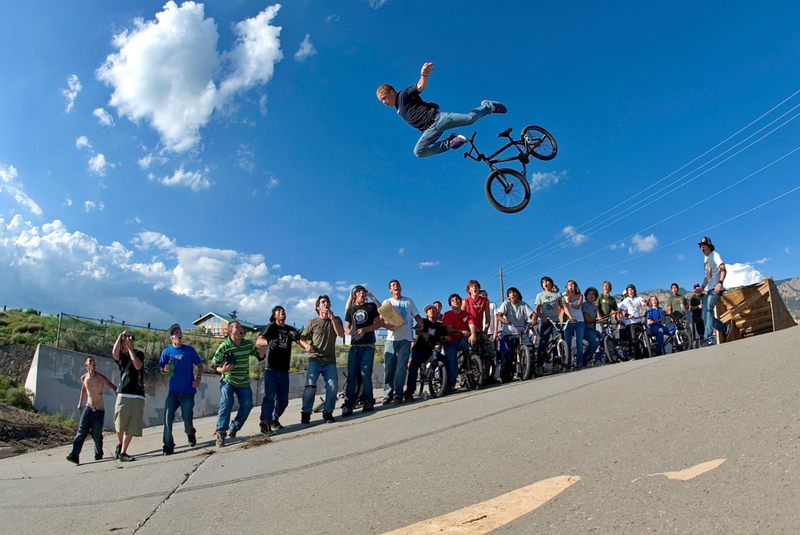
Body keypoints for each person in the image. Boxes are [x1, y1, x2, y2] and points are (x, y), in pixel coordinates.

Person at [376, 62, 507, 158]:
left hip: (439, 119)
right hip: (429, 130)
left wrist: (424, 75)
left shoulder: (403, 95)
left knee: (470, 119)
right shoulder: (398, 109)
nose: (384, 102)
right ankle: (451, 141)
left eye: (384, 98)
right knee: (418, 152)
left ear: (392, 92)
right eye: (381, 101)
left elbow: (420, 86)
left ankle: (488, 106)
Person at [256, 307, 312, 435]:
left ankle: (274, 419)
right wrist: (268, 341)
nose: (282, 311)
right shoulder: (271, 327)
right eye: (279, 310)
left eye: (284, 310)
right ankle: (265, 423)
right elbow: (258, 340)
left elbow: (300, 340)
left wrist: (307, 346)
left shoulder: (290, 329)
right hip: (271, 369)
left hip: (284, 370)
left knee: (283, 400)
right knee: (269, 397)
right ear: (274, 315)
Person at [211, 321, 264, 447]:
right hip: (228, 380)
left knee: (248, 405)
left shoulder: (247, 344)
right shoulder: (225, 346)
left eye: (241, 326)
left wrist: (262, 352)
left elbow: (259, 356)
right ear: (230, 332)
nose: (241, 328)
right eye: (237, 327)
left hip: (243, 381)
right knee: (226, 404)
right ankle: (221, 434)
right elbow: (214, 365)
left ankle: (234, 427)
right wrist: (222, 370)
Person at [159, 323, 203, 455]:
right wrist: (164, 370)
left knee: (187, 417)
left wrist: (198, 379)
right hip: (173, 391)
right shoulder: (166, 352)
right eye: (176, 333)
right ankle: (168, 445)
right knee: (167, 417)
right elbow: (161, 368)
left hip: (188, 392)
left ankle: (190, 433)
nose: (179, 334)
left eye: (180, 332)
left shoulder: (189, 350)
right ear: (171, 337)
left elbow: (200, 366)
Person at [300, 295, 345, 423]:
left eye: (328, 302)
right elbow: (302, 338)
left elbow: (341, 334)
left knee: (332, 386)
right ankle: (306, 412)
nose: (326, 304)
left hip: (329, 361)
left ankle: (328, 412)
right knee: (310, 387)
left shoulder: (336, 319)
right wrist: (306, 345)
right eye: (323, 302)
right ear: (318, 307)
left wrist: (332, 319)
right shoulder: (312, 322)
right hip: (315, 359)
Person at [66, 357, 116, 465]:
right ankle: (74, 454)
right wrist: (80, 402)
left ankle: (98, 452)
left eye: (93, 361)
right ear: (86, 365)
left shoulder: (100, 378)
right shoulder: (84, 378)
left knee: (96, 434)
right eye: (90, 362)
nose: (93, 363)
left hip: (99, 411)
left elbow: (113, 387)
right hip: (88, 408)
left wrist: (120, 394)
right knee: (81, 432)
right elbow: (84, 389)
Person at [342, 286, 383, 416]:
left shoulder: (370, 307)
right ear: (354, 295)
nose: (362, 293)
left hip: (368, 345)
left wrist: (366, 329)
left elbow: (378, 323)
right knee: (352, 375)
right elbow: (347, 328)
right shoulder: (351, 309)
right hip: (355, 346)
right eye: (359, 292)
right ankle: (348, 404)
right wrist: (351, 332)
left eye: (363, 292)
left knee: (365, 373)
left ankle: (368, 400)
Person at [381, 280, 423, 404]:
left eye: (397, 285)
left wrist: (420, 323)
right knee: (389, 368)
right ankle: (387, 394)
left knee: (401, 368)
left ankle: (398, 394)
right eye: (393, 286)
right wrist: (386, 325)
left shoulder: (408, 301)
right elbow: (382, 320)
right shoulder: (387, 302)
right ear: (390, 290)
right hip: (391, 339)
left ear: (401, 287)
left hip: (406, 339)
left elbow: (416, 315)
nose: (396, 287)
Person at [112, 330, 144, 462]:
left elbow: (137, 366)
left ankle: (123, 452)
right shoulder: (122, 355)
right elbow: (114, 353)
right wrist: (120, 336)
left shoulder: (139, 354)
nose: (129, 339)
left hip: (137, 394)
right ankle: (120, 445)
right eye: (127, 337)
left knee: (132, 425)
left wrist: (131, 350)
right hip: (124, 392)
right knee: (119, 424)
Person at [404, 304, 449, 400]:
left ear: (437, 312)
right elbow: (416, 331)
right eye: (429, 309)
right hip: (419, 350)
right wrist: (422, 333)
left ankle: (445, 385)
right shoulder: (423, 322)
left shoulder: (440, 325)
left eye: (434, 309)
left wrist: (445, 337)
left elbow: (444, 335)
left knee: (444, 360)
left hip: (431, 351)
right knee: (414, 367)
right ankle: (409, 392)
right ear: (426, 313)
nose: (432, 311)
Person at [496, 287, 535, 382]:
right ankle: (505, 374)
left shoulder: (523, 304)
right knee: (511, 351)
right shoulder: (506, 304)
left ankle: (530, 370)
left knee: (530, 347)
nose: (512, 294)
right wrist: (503, 320)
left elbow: (533, 314)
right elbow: (498, 316)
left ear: (517, 294)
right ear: (508, 296)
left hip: (521, 331)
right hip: (509, 333)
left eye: (514, 293)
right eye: (510, 293)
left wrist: (533, 320)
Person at [698, 237, 729, 346]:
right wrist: (702, 287)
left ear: (709, 246)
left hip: (716, 288)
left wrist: (720, 283)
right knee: (703, 315)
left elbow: (723, 269)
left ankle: (709, 338)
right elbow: (707, 275)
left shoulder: (715, 255)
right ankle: (724, 327)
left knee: (708, 311)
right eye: (700, 246)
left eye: (704, 245)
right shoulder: (705, 259)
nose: (702, 247)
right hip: (709, 288)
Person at [462, 280, 496, 374]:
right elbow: (461, 317)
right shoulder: (465, 301)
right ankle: (468, 374)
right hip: (469, 331)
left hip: (480, 331)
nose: (474, 288)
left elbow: (488, 317)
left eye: (476, 286)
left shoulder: (485, 301)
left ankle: (487, 376)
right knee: (470, 352)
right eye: (472, 286)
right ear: (469, 290)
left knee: (488, 352)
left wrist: (485, 331)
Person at [532, 276, 563, 375]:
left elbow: (563, 307)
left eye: (548, 282)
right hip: (545, 321)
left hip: (556, 321)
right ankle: (540, 365)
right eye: (544, 283)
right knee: (543, 342)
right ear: (542, 285)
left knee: (557, 341)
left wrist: (566, 317)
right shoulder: (540, 295)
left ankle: (556, 364)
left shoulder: (557, 294)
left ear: (551, 283)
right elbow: (537, 309)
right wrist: (542, 317)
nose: (546, 284)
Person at [442, 293, 470, 392]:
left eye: (457, 299)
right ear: (450, 304)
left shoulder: (466, 314)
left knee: (472, 348)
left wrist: (473, 333)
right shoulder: (447, 314)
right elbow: (449, 329)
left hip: (463, 339)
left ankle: (471, 376)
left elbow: (471, 324)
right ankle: (450, 385)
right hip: (451, 342)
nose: (456, 301)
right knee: (452, 363)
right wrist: (462, 332)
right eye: (453, 300)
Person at [618, 284, 648, 359]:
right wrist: (627, 315)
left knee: (644, 335)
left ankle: (645, 352)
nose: (631, 291)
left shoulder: (638, 298)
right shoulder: (626, 300)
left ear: (634, 290)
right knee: (633, 338)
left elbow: (643, 302)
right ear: (627, 292)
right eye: (629, 290)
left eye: (632, 290)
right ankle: (632, 355)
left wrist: (645, 303)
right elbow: (621, 310)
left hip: (638, 320)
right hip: (630, 322)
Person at [562, 280, 585, 369]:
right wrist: (570, 317)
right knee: (567, 343)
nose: (570, 286)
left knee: (579, 342)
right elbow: (565, 308)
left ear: (575, 286)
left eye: (572, 284)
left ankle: (579, 363)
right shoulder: (565, 296)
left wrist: (569, 305)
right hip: (569, 321)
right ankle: (567, 363)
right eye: (569, 285)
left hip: (579, 321)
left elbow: (578, 306)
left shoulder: (580, 295)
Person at [582, 287, 601, 366]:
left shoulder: (595, 306)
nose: (591, 295)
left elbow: (599, 317)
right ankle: (585, 358)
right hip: (586, 329)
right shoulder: (584, 305)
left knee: (603, 338)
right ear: (586, 296)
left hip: (593, 329)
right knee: (595, 341)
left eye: (593, 294)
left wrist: (602, 320)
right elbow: (587, 319)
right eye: (589, 294)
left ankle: (598, 359)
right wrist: (597, 320)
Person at [689, 284, 706, 348]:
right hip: (696, 319)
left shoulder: (704, 296)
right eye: (696, 289)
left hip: (704, 318)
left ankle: (705, 346)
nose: (697, 290)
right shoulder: (693, 298)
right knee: (697, 337)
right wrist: (698, 307)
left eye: (698, 288)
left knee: (704, 334)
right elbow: (690, 308)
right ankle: (697, 349)